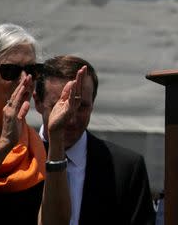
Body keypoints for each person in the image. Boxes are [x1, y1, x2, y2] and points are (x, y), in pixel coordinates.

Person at [0, 23, 83, 224]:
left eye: (33, 70)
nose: (26, 80)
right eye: (10, 71)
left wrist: (56, 137)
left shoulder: (37, 151)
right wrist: (3, 146)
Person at [34, 55, 155, 225]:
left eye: (81, 106)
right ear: (38, 102)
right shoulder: (17, 157)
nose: (71, 119)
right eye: (59, 107)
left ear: (93, 103)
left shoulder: (125, 168)